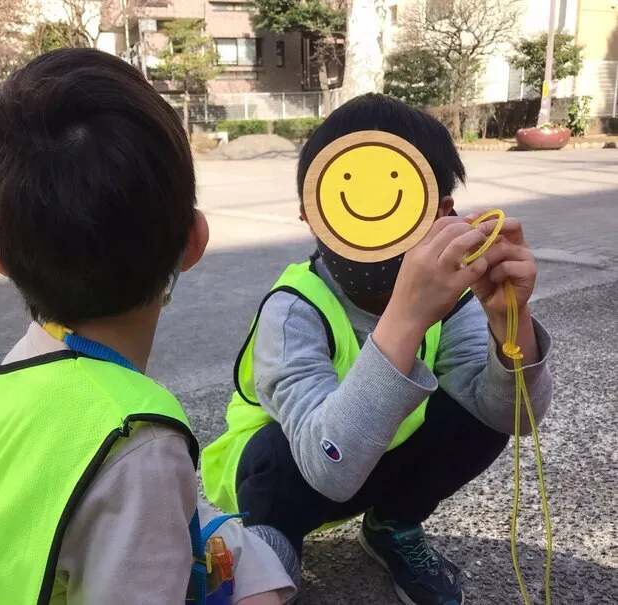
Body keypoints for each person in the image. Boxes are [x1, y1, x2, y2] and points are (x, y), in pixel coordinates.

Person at [0, 48, 299, 605]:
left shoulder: (26, 364)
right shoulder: (140, 442)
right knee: (267, 563)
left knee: (243, 546)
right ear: (194, 241)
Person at [201, 93, 553, 605]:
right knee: (275, 464)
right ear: (311, 216)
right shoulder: (294, 308)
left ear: (441, 214)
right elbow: (328, 467)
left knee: (481, 413)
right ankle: (269, 542)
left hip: (372, 458)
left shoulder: (454, 303)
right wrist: (407, 317)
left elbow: (515, 415)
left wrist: (508, 324)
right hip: (286, 478)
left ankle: (392, 524)